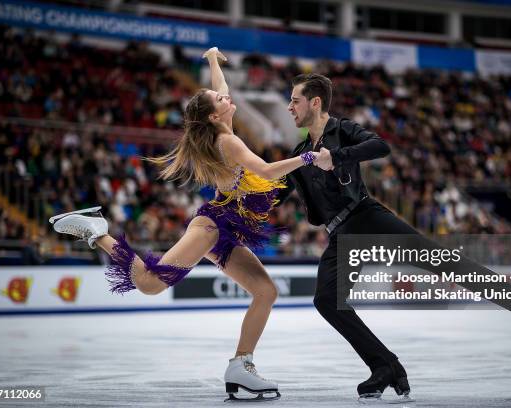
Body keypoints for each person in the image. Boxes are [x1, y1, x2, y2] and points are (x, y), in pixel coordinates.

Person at [49, 47, 320, 402]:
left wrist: (212, 61)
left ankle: (241, 366)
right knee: (150, 283)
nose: (227, 95)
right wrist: (308, 157)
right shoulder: (229, 141)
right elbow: (268, 172)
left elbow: (219, 87)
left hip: (228, 229)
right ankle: (98, 232)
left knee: (266, 291)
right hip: (212, 227)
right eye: (220, 98)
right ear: (213, 115)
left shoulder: (222, 128)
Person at [278, 73, 511, 402]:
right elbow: (276, 191)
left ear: (315, 102)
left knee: (442, 263)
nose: (289, 106)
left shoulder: (342, 130)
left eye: (295, 100)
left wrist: (336, 157)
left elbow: (380, 146)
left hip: (368, 219)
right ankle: (386, 367)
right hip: (341, 235)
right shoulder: (299, 152)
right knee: (326, 300)